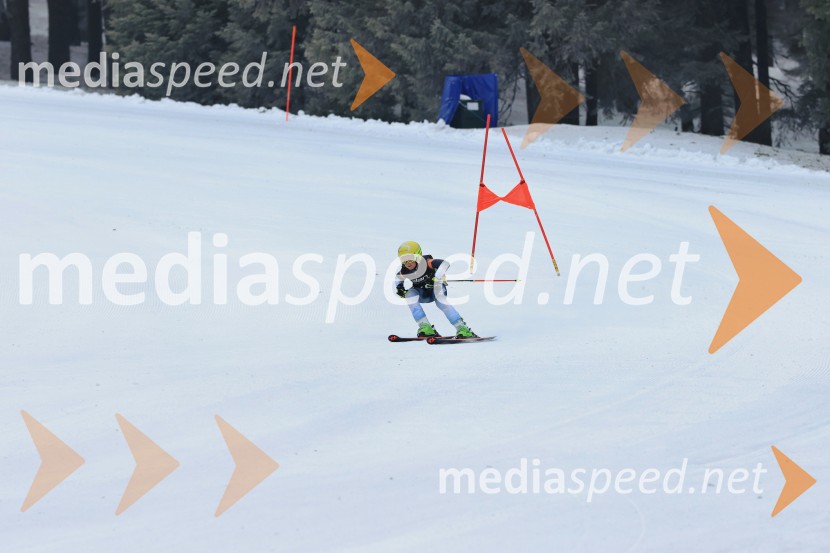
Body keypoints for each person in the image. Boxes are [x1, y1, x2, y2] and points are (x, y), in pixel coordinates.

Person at [395, 241, 478, 338]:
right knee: (409, 294)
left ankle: (462, 328)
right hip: (423, 293)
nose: (407, 263)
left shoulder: (427, 262)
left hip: (436, 290)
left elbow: (445, 264)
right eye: (404, 260)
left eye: (410, 259)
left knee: (441, 302)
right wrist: (400, 288)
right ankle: (425, 327)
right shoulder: (404, 270)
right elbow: (398, 279)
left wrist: (437, 277)